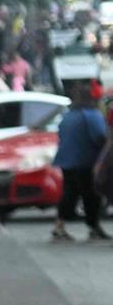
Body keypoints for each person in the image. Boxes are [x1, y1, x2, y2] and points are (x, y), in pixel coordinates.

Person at [51, 87, 108, 242]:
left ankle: (59, 226)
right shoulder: (91, 115)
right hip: (86, 162)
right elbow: (100, 136)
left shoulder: (69, 115)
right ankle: (94, 227)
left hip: (67, 162)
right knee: (92, 195)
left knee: (70, 193)